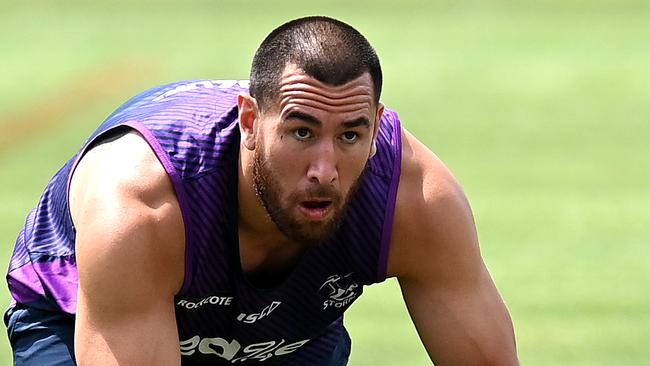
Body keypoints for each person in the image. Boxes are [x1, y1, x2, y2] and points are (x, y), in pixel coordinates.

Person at [4, 16, 518, 365]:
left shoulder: (414, 199)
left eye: (351, 135)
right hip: (80, 312)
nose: (326, 169)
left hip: (286, 331)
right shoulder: (141, 203)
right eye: (301, 132)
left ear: (377, 125)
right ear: (250, 120)